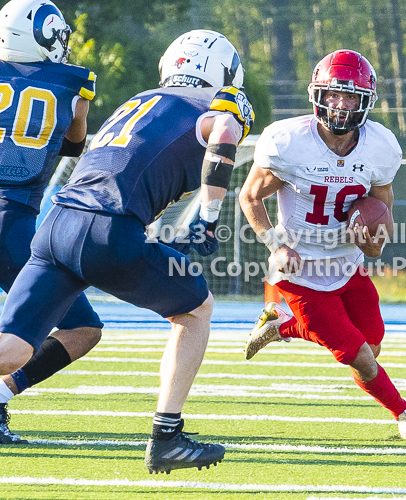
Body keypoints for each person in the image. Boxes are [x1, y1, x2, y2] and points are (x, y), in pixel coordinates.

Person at [0, 29, 255, 472]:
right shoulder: (211, 107)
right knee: (195, 311)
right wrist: (210, 219)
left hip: (57, 225)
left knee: (16, 346)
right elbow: (227, 130)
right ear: (222, 73)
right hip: (107, 229)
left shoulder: (137, 101)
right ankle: (168, 436)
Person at [239, 49, 406, 440]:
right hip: (300, 269)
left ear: (366, 102)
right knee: (357, 355)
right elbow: (250, 196)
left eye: (350, 97)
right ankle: (405, 415)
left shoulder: (380, 146)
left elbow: (382, 203)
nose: (340, 105)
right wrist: (274, 244)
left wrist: (376, 242)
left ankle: (282, 329)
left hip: (346, 262)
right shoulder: (289, 141)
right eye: (333, 95)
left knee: (372, 346)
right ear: (318, 96)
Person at [0, 0, 103, 445]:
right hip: (11, 221)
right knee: (83, 327)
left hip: (14, 221)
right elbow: (74, 143)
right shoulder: (72, 82)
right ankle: (3, 395)